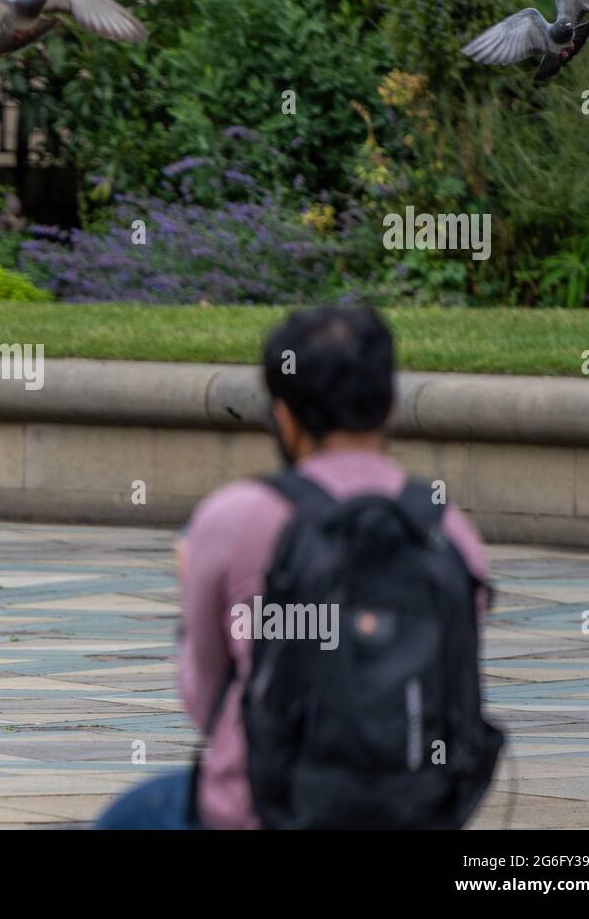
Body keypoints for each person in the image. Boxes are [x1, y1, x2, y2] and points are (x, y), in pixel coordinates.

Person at [95, 306, 488, 830]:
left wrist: (192, 597)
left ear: (283, 414)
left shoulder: (235, 518)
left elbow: (204, 702)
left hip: (265, 811)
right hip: (415, 813)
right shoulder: (448, 531)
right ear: (390, 405)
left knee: (132, 816)